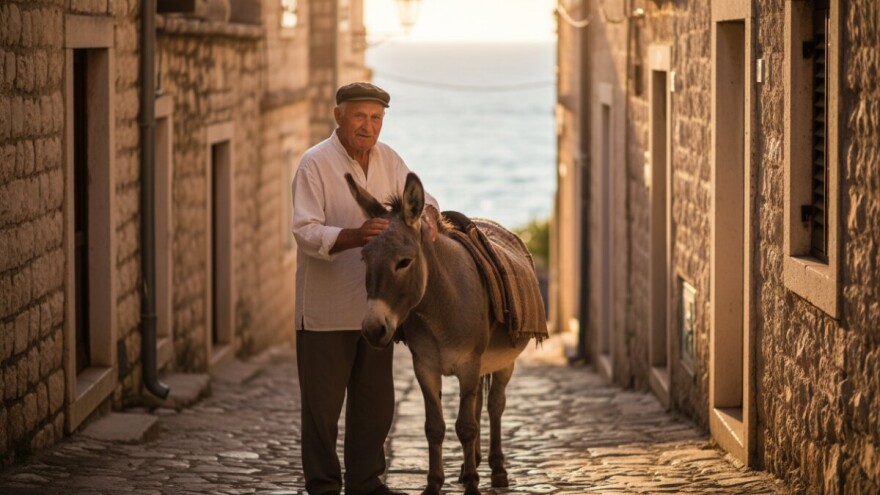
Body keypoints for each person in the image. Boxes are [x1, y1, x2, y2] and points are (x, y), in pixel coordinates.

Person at [291, 81, 439, 495]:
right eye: (359, 116)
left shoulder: (389, 159)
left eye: (376, 118)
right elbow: (305, 231)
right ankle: (322, 487)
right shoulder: (314, 164)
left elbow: (424, 199)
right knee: (322, 412)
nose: (367, 126)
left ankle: (366, 484)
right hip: (325, 311)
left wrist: (429, 216)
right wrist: (356, 236)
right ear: (339, 115)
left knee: (374, 406)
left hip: (376, 310)